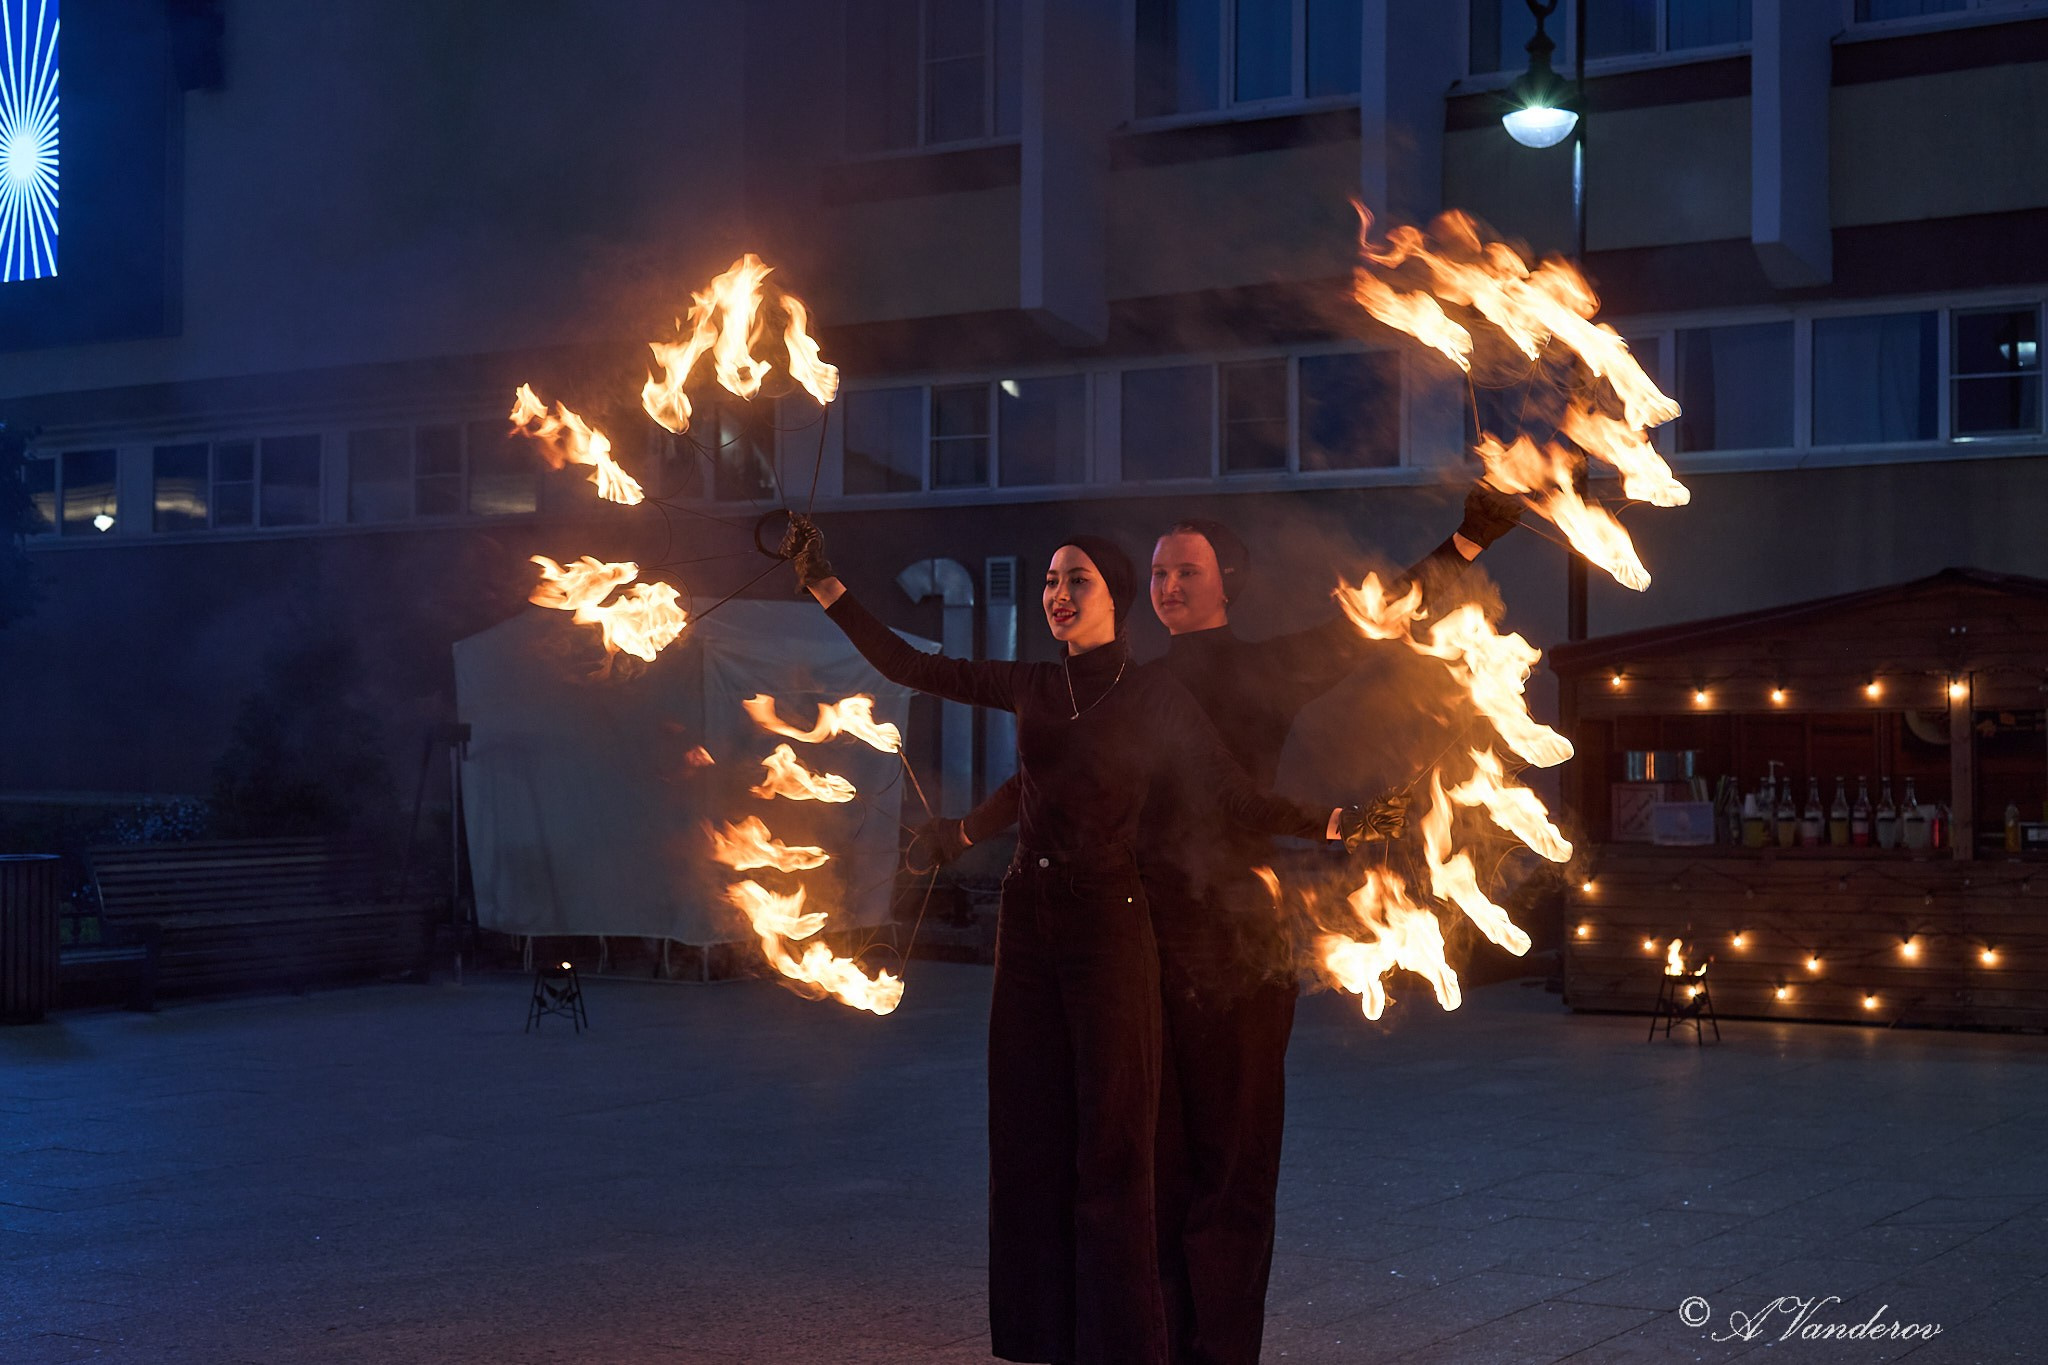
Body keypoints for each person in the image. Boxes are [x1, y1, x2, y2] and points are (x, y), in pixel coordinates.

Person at [913, 481, 1522, 1365]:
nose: (1167, 585)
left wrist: (1464, 546)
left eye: (1186, 570)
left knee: (1230, 1166)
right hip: (1140, 937)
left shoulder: (1266, 669)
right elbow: (1052, 782)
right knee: (1146, 1167)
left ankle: (1222, 1352)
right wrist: (962, 833)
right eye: (1157, 570)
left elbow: (1376, 622)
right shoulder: (1131, 679)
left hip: (1237, 944)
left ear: (1225, 580)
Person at [782, 520, 1405, 1365]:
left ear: (1114, 598)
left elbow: (1234, 797)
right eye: (1049, 581)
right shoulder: (1036, 684)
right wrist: (826, 584)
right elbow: (916, 671)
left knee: (1117, 1144)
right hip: (1026, 921)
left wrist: (1339, 820)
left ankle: (1131, 1343)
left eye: (1079, 581)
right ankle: (1052, 1336)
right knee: (1030, 1132)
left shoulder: (1153, 697)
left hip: (1112, 921)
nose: (1058, 595)